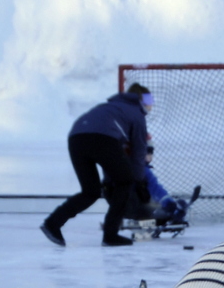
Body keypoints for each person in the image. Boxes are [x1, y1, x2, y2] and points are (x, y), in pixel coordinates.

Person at [41, 83, 152, 248]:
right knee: (126, 181)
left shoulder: (110, 106)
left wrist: (111, 180)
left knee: (90, 191)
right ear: (141, 100)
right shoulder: (136, 113)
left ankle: (52, 223)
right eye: (150, 99)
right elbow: (138, 150)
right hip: (101, 139)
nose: (152, 104)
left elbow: (113, 155)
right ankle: (110, 234)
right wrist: (138, 181)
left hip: (76, 137)